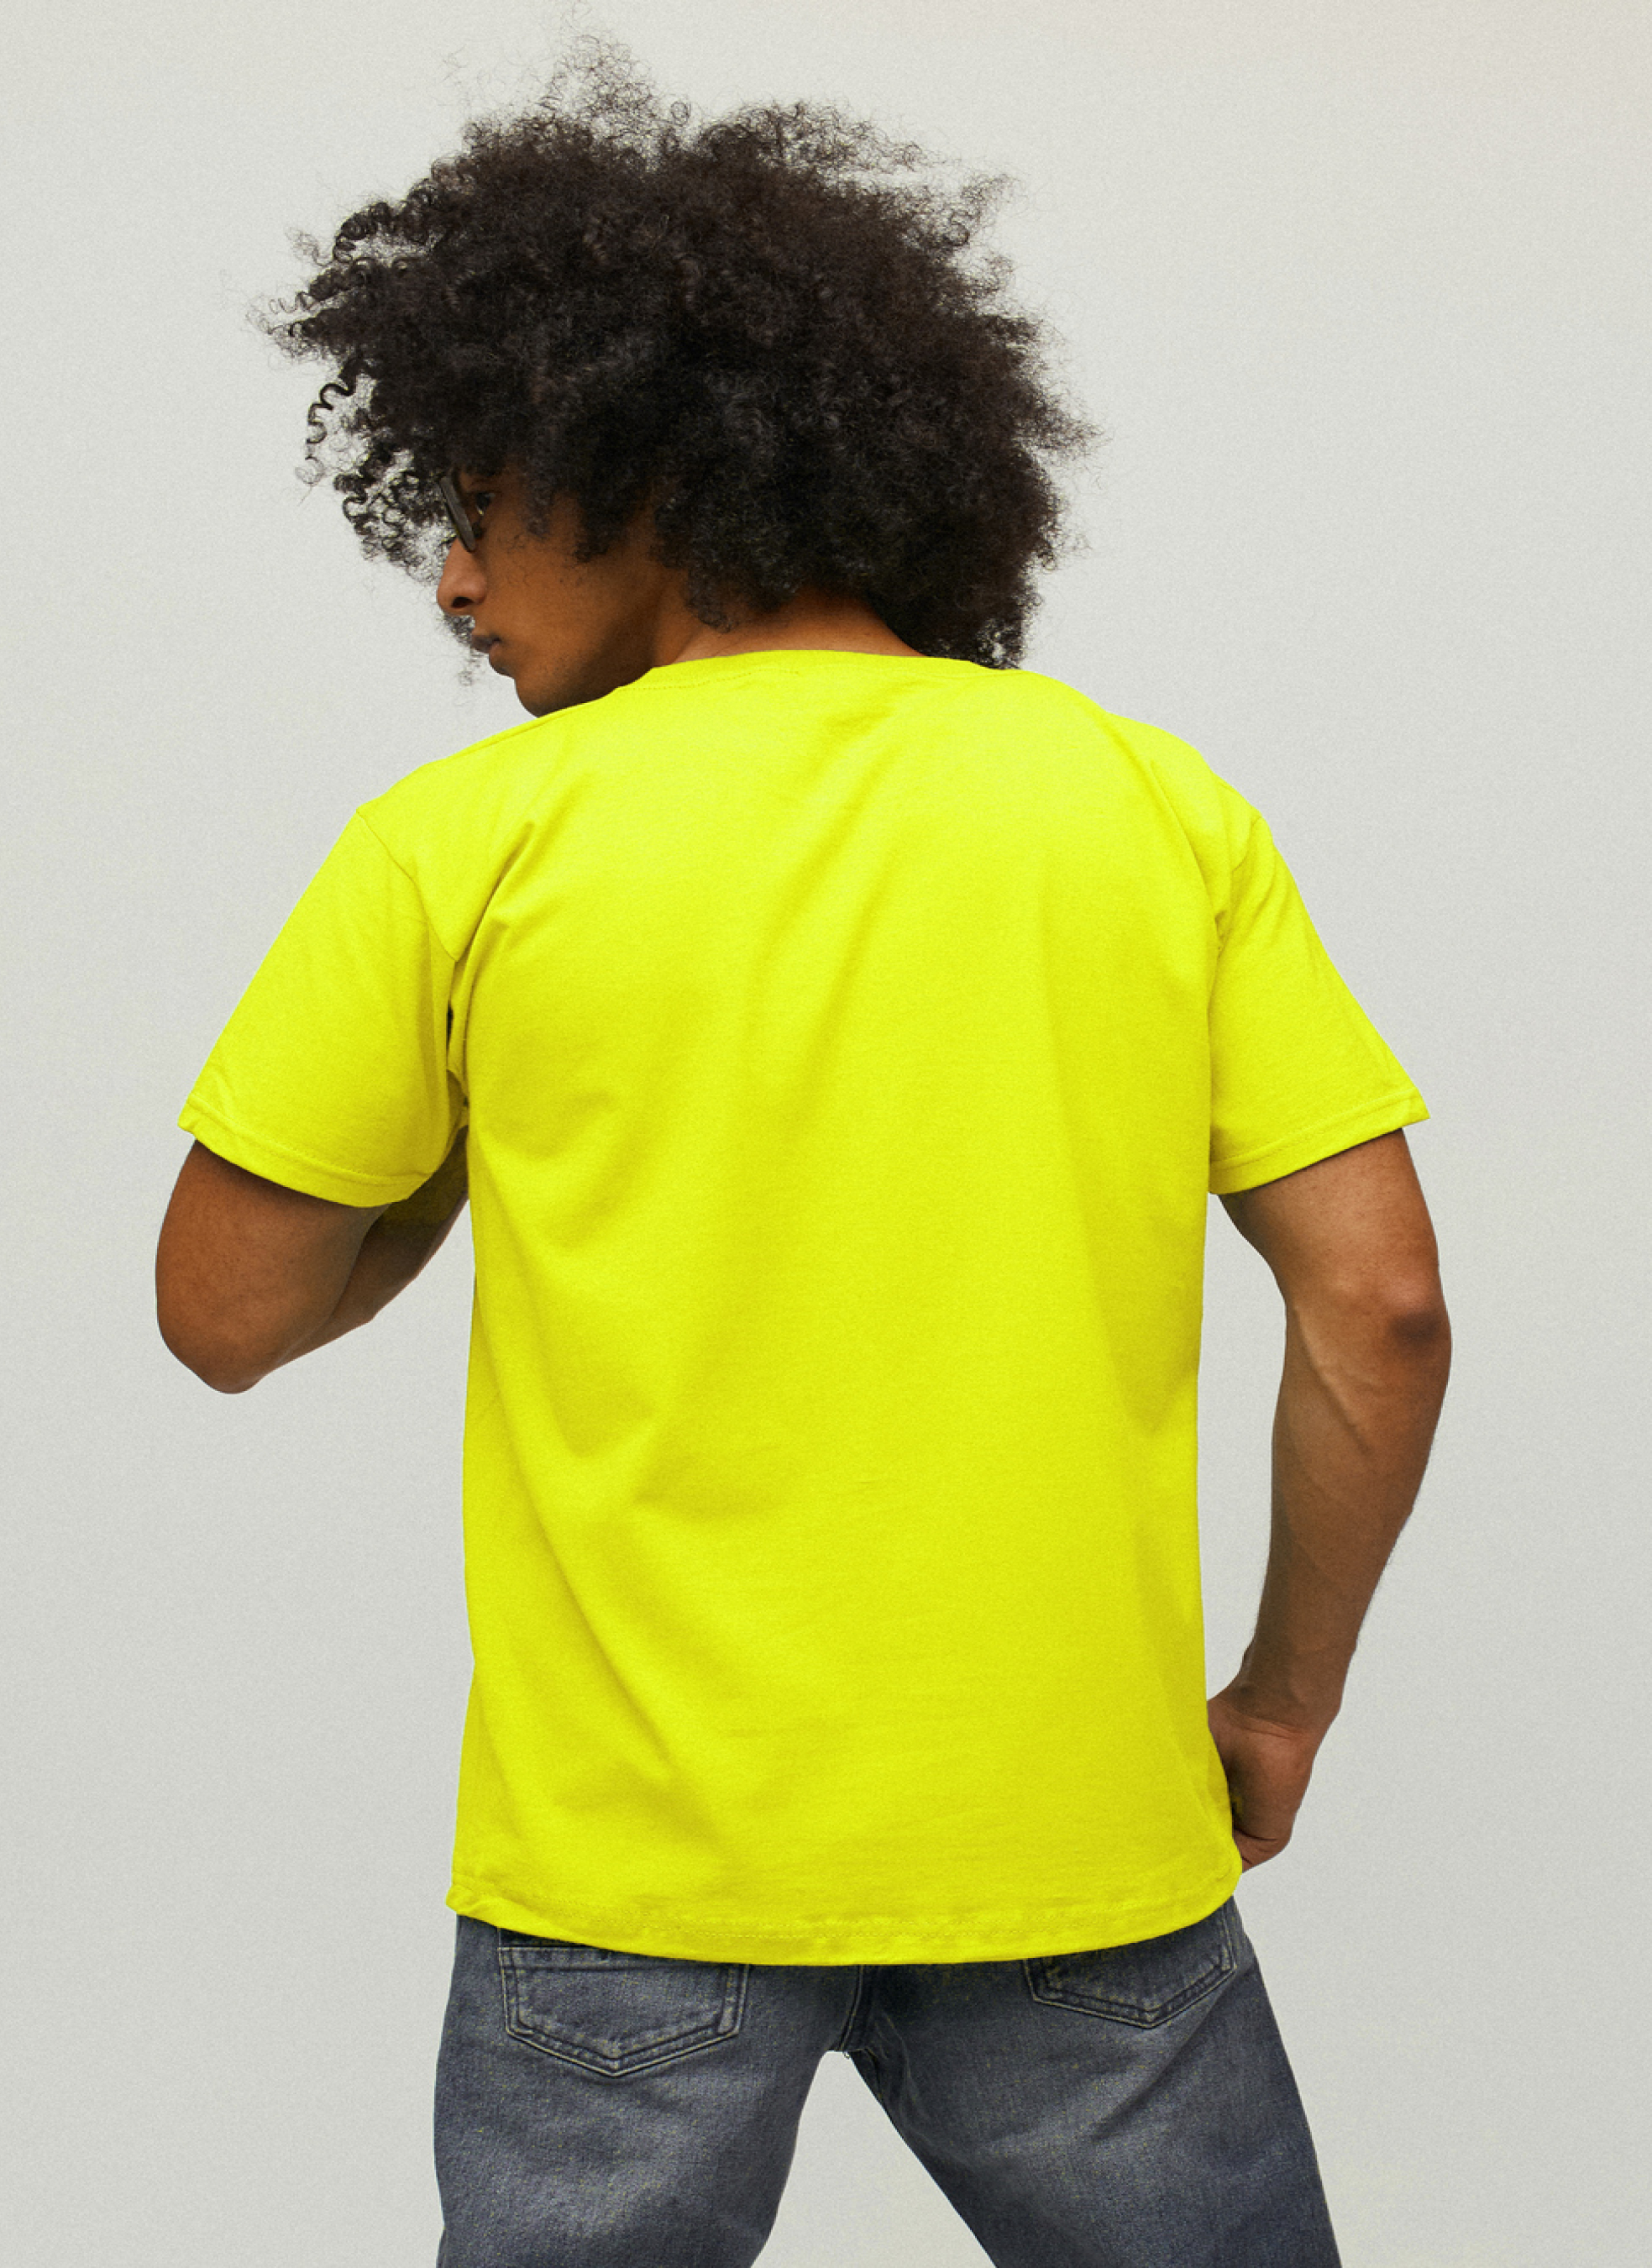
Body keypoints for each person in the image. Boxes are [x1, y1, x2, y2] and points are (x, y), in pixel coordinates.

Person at [155, 43, 1450, 2268]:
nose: (450, 577)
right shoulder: (1148, 805)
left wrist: (482, 1097)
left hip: (627, 1881)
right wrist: (1282, 1700)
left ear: (634, 463)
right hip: (1075, 1849)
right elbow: (1382, 1303)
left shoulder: (465, 845)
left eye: (479, 498)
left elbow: (226, 1311)